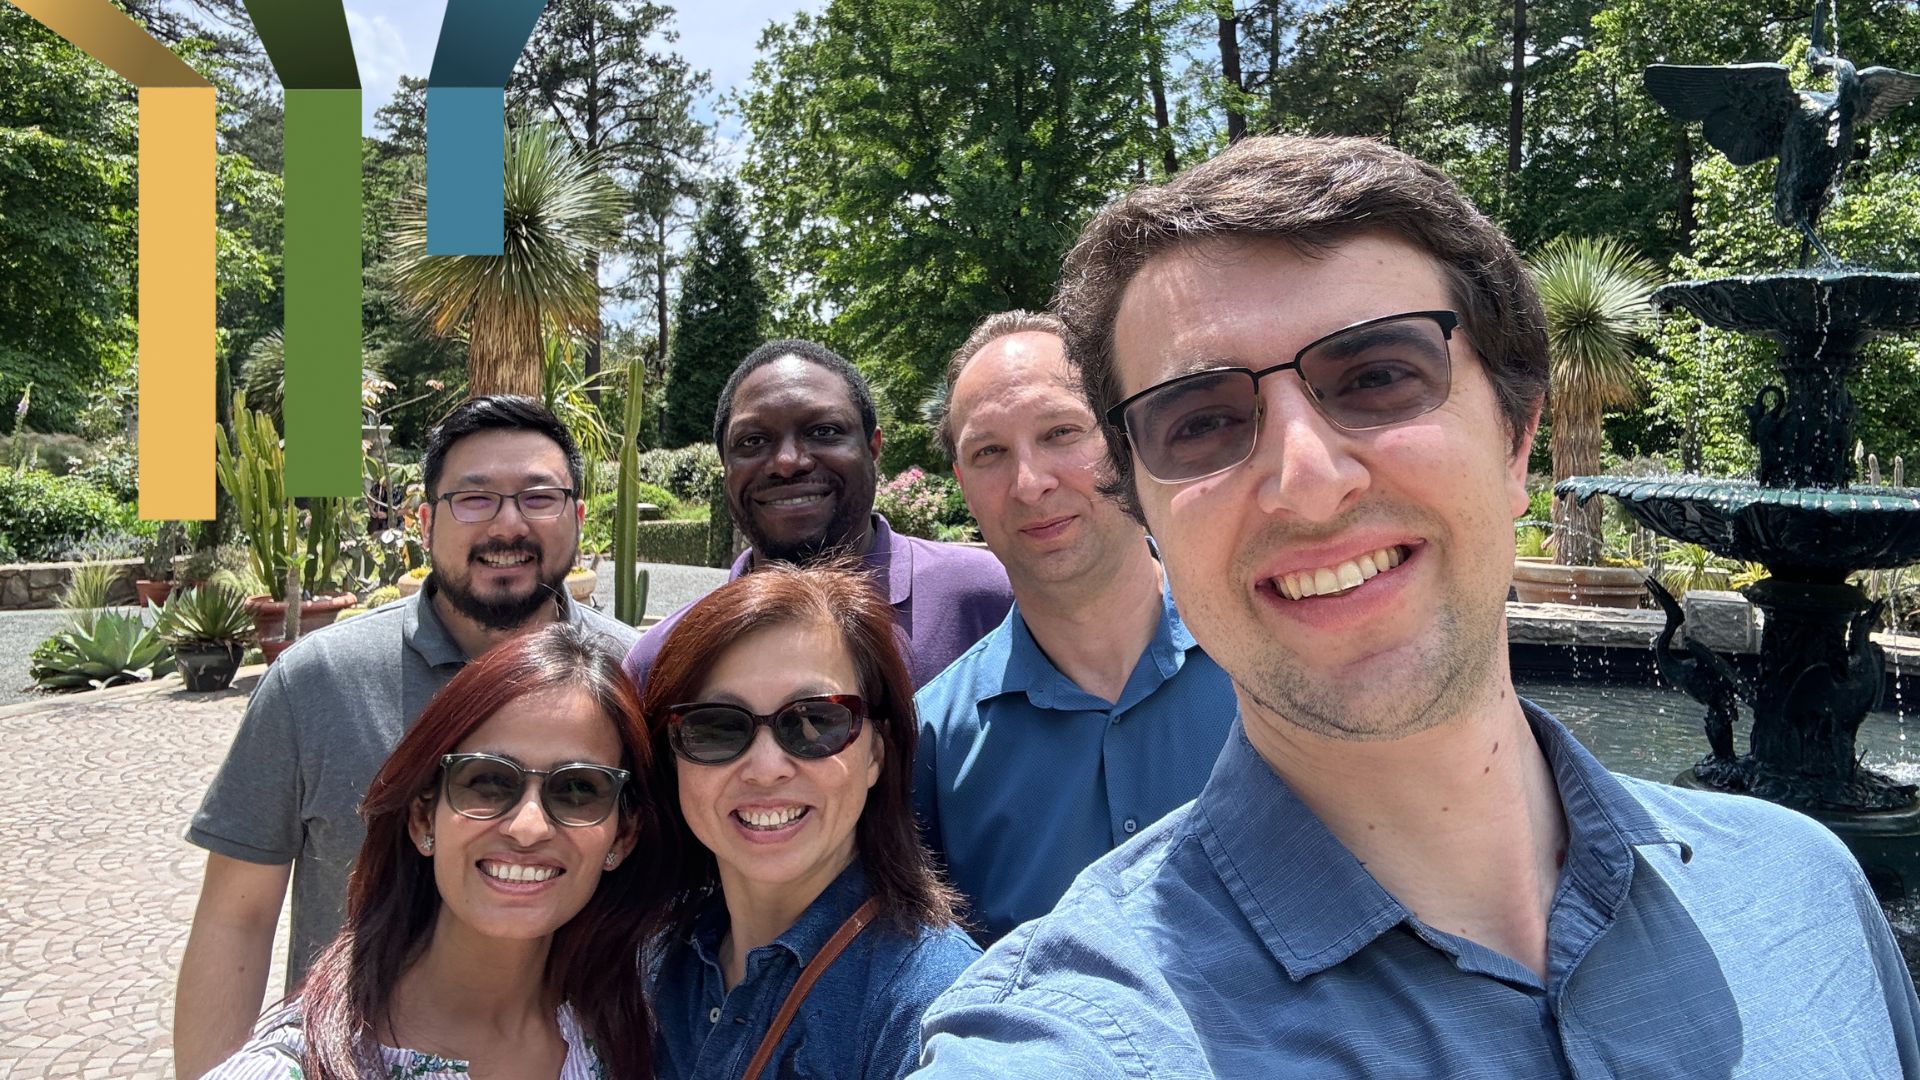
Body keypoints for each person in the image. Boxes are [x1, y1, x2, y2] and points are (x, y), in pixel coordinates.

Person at [916, 135, 1920, 1076]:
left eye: (1381, 376)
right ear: (1147, 510)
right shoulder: (1071, 1035)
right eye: (1204, 421)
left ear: (1519, 436)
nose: (1306, 479)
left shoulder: (1809, 894)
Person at [175, 396, 640, 1079]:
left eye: (539, 496)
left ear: (577, 516)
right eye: (474, 499)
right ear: (425, 523)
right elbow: (236, 917)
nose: (508, 523)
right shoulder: (319, 681)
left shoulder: (636, 677)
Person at [204, 623, 667, 1079]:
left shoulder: (637, 1036)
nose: (528, 828)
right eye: (488, 782)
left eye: (579, 790)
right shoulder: (293, 1067)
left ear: (622, 836)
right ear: (424, 818)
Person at [913, 311, 1236, 941]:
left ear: (1126, 438)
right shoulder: (932, 745)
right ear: (962, 486)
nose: (1030, 484)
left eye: (1061, 432)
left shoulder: (1272, 661)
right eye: (989, 453)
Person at [641, 563, 981, 1079]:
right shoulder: (653, 961)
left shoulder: (932, 1008)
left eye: (815, 722)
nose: (766, 769)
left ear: (876, 754)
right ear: (673, 759)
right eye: (716, 728)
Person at [624, 339, 1012, 690]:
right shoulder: (660, 662)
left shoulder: (991, 602)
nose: (787, 462)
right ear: (725, 465)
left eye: (823, 431)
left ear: (873, 448)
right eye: (753, 441)